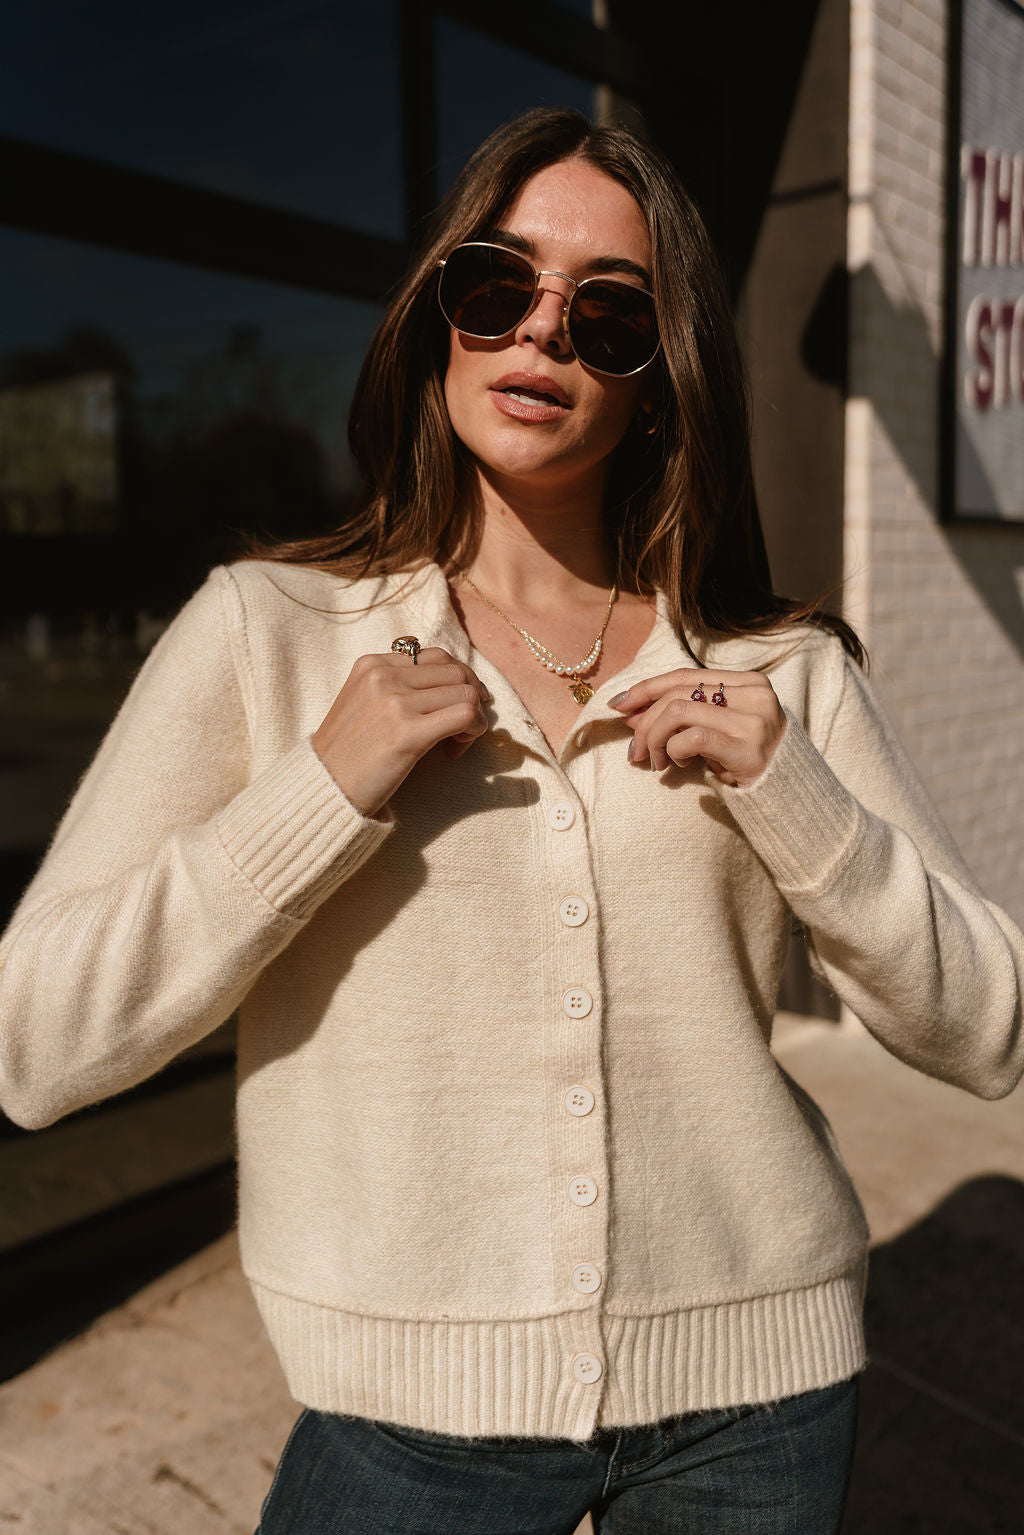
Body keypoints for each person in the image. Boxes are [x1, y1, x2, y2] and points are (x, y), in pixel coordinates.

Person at [0, 107, 1021, 1535]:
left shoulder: (775, 669)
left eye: (609, 313)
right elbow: (33, 1045)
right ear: (440, 320)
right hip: (413, 1431)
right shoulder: (268, 633)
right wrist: (318, 794)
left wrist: (799, 804)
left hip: (757, 1410)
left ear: (661, 381)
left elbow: (987, 1029)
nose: (544, 330)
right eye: (501, 283)